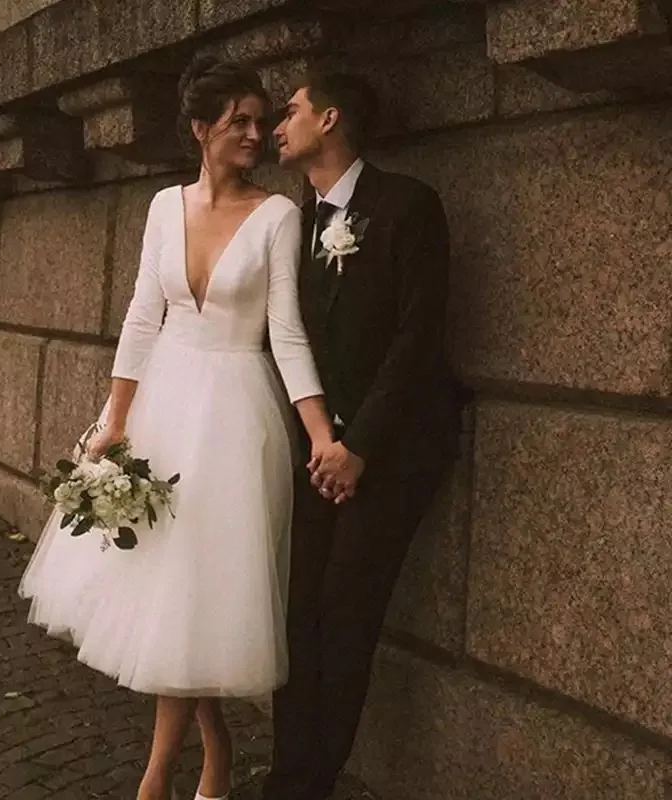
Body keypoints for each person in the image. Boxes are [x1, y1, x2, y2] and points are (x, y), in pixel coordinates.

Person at [19, 57, 334, 800]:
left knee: (204, 588)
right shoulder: (165, 207)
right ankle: (214, 745)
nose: (257, 134)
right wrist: (113, 425)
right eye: (240, 123)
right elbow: (140, 316)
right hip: (164, 402)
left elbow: (286, 334)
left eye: (263, 121)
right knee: (172, 592)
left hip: (234, 418)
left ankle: (156, 778)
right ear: (201, 130)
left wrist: (318, 431)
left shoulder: (278, 215)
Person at [262, 72, 462, 800]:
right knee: (297, 616)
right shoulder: (292, 223)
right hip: (318, 454)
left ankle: (310, 784)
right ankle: (288, 777)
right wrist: (319, 443)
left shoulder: (408, 206)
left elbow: (417, 338)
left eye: (291, 111)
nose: (276, 126)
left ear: (333, 117)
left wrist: (361, 448)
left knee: (346, 613)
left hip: (392, 452)